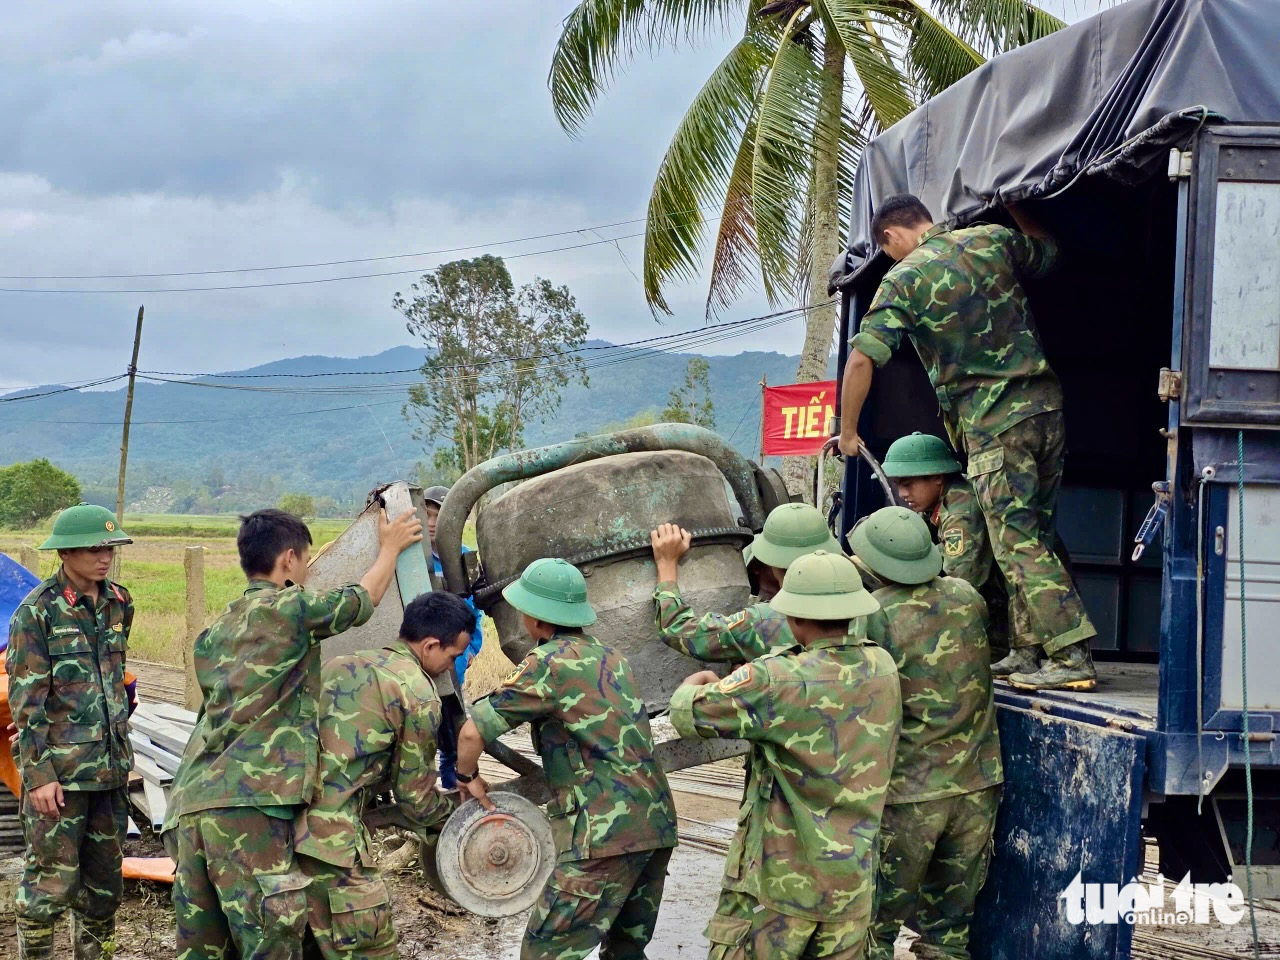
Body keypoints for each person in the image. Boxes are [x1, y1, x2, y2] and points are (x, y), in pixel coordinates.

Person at [833, 193, 1096, 691]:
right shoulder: (989, 239)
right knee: (1032, 532)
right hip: (1045, 408)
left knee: (1015, 540)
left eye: (885, 249)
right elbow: (1049, 252)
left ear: (890, 236)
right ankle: (1027, 648)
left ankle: (1069, 653)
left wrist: (848, 432)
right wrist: (1015, 203)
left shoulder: (904, 278)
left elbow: (863, 358)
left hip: (994, 422)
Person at [164, 506, 422, 960]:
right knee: (272, 941)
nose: (304, 571)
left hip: (188, 808)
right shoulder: (290, 606)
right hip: (251, 808)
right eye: (304, 561)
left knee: (204, 950)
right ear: (288, 560)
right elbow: (361, 600)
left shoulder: (213, 632)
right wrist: (390, 547)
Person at [670, 550, 900, 960]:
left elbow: (688, 713)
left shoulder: (776, 679)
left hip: (778, 888)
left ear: (793, 619)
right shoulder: (882, 666)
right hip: (851, 885)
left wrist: (700, 680)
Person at [454, 558, 678, 960]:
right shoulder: (614, 658)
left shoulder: (546, 664)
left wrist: (465, 774)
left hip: (602, 834)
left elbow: (473, 732)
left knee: (545, 951)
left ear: (537, 620)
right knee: (625, 950)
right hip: (656, 824)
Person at [848, 507, 1003, 960]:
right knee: (950, 930)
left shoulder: (875, 615)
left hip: (910, 794)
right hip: (977, 787)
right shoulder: (967, 596)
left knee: (875, 927)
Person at [293, 590, 477, 959]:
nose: (452, 665)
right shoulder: (417, 692)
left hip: (281, 834)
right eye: (454, 656)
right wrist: (459, 820)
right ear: (429, 646)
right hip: (334, 845)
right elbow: (414, 795)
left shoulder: (339, 663)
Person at [7, 505, 135, 960]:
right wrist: (38, 776)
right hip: (60, 777)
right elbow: (26, 703)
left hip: (111, 772)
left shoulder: (120, 602)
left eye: (109, 548)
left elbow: (115, 682)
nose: (104, 557)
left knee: (104, 888)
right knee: (49, 887)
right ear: (65, 552)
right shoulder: (37, 614)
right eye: (93, 548)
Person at [650, 502, 844, 667]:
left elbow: (677, 630)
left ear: (767, 560)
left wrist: (667, 564)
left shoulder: (762, 621)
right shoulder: (857, 609)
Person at [880, 432, 1013, 659]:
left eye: (908, 484)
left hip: (1002, 631)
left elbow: (961, 587)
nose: (902, 494)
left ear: (938, 477)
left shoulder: (961, 512)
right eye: (898, 485)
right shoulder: (942, 500)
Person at [422, 484, 484, 790]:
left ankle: (451, 785)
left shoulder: (462, 558)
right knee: (422, 727)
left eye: (439, 516)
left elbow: (475, 610)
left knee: (453, 727)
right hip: (421, 659)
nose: (432, 523)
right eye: (427, 514)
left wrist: (471, 647)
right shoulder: (414, 560)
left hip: (453, 659)